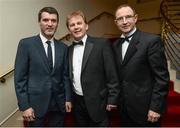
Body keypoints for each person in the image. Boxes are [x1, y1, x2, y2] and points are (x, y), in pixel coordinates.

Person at [113, 4, 170, 127]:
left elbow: (162, 79)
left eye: (128, 17)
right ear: (116, 22)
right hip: (124, 110)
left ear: (135, 18)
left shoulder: (151, 41)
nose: (124, 22)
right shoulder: (115, 45)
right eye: (120, 19)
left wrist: (156, 107)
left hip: (146, 110)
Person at [14, 7, 72, 127]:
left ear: (57, 23)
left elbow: (65, 76)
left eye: (53, 20)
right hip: (35, 105)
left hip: (58, 103)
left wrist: (68, 98)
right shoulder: (26, 44)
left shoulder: (63, 47)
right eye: (46, 20)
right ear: (39, 22)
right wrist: (25, 106)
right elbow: (20, 79)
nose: (50, 24)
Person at [66, 10, 120, 127]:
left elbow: (111, 73)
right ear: (69, 29)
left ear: (86, 26)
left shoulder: (102, 44)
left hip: (98, 102)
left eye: (79, 23)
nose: (76, 27)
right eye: (72, 25)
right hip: (77, 103)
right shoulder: (68, 50)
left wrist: (112, 98)